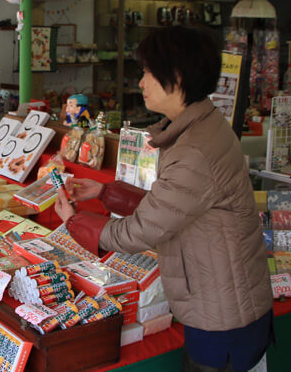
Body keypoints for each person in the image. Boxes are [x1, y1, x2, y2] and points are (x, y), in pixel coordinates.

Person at [54, 26, 273, 372]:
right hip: (222, 298)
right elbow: (171, 205)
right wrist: (105, 191)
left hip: (224, 314)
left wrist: (72, 222)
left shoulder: (196, 149)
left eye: (147, 72)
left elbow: (140, 231)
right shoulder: (202, 126)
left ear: (177, 76)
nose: (141, 82)